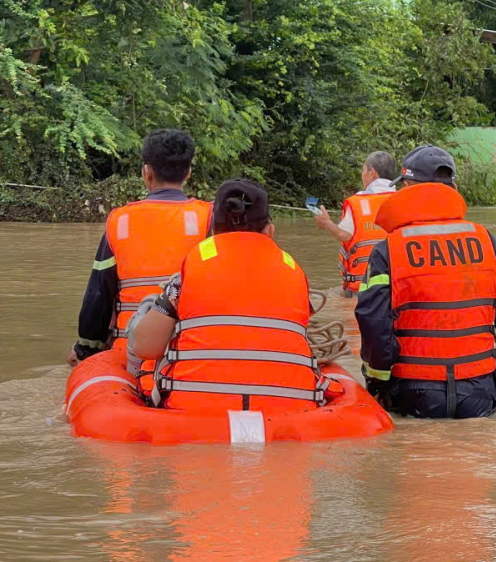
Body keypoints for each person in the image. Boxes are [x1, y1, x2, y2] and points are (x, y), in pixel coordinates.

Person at [355, 145, 496, 419]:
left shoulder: (387, 251)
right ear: (454, 188)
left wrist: (376, 383)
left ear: (406, 187)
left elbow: (374, 322)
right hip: (480, 390)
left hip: (413, 394)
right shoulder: (487, 242)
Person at [132, 179, 330, 413]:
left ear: (214, 231)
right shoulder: (295, 274)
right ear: (269, 231)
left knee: (148, 315)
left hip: (197, 413)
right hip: (287, 411)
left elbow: (146, 348)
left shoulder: (185, 276)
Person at [67, 129, 212, 366]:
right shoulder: (209, 219)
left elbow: (98, 294)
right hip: (188, 349)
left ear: (147, 172)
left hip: (128, 351)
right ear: (188, 173)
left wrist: (85, 347)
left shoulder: (119, 221)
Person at [314, 151, 397, 297]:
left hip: (362, 288)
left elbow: (344, 235)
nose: (362, 175)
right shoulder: (403, 200)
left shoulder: (356, 202)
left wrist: (327, 223)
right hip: (398, 285)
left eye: (364, 170)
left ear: (372, 173)